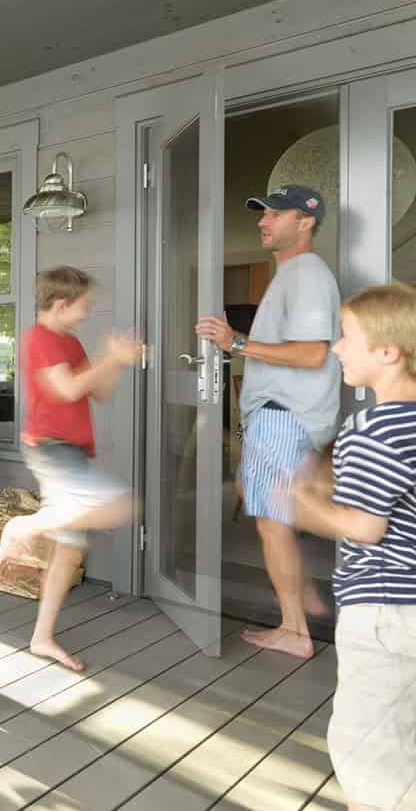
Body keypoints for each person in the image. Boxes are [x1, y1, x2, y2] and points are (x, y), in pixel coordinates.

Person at [196, 184, 342, 659]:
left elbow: (311, 353)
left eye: (278, 214)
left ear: (306, 222)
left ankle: (295, 630)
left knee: (273, 523)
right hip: (278, 417)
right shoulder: (289, 276)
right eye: (263, 212)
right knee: (270, 506)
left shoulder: (307, 274)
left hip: (286, 417)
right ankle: (306, 600)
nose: (265, 220)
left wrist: (234, 343)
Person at [290, 284, 416, 811]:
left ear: (389, 352)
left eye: (346, 338)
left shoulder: (373, 428)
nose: (337, 349)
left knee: (368, 753)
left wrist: (298, 498)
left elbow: (364, 527)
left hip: (385, 609)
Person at [0, 266, 141, 672]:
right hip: (52, 449)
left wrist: (117, 362)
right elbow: (66, 389)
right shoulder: (39, 340)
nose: (87, 314)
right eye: (84, 307)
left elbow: (98, 391)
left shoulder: (71, 342)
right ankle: (22, 528)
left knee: (70, 549)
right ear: (60, 304)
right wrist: (109, 357)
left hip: (73, 452)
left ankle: (42, 637)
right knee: (120, 507)